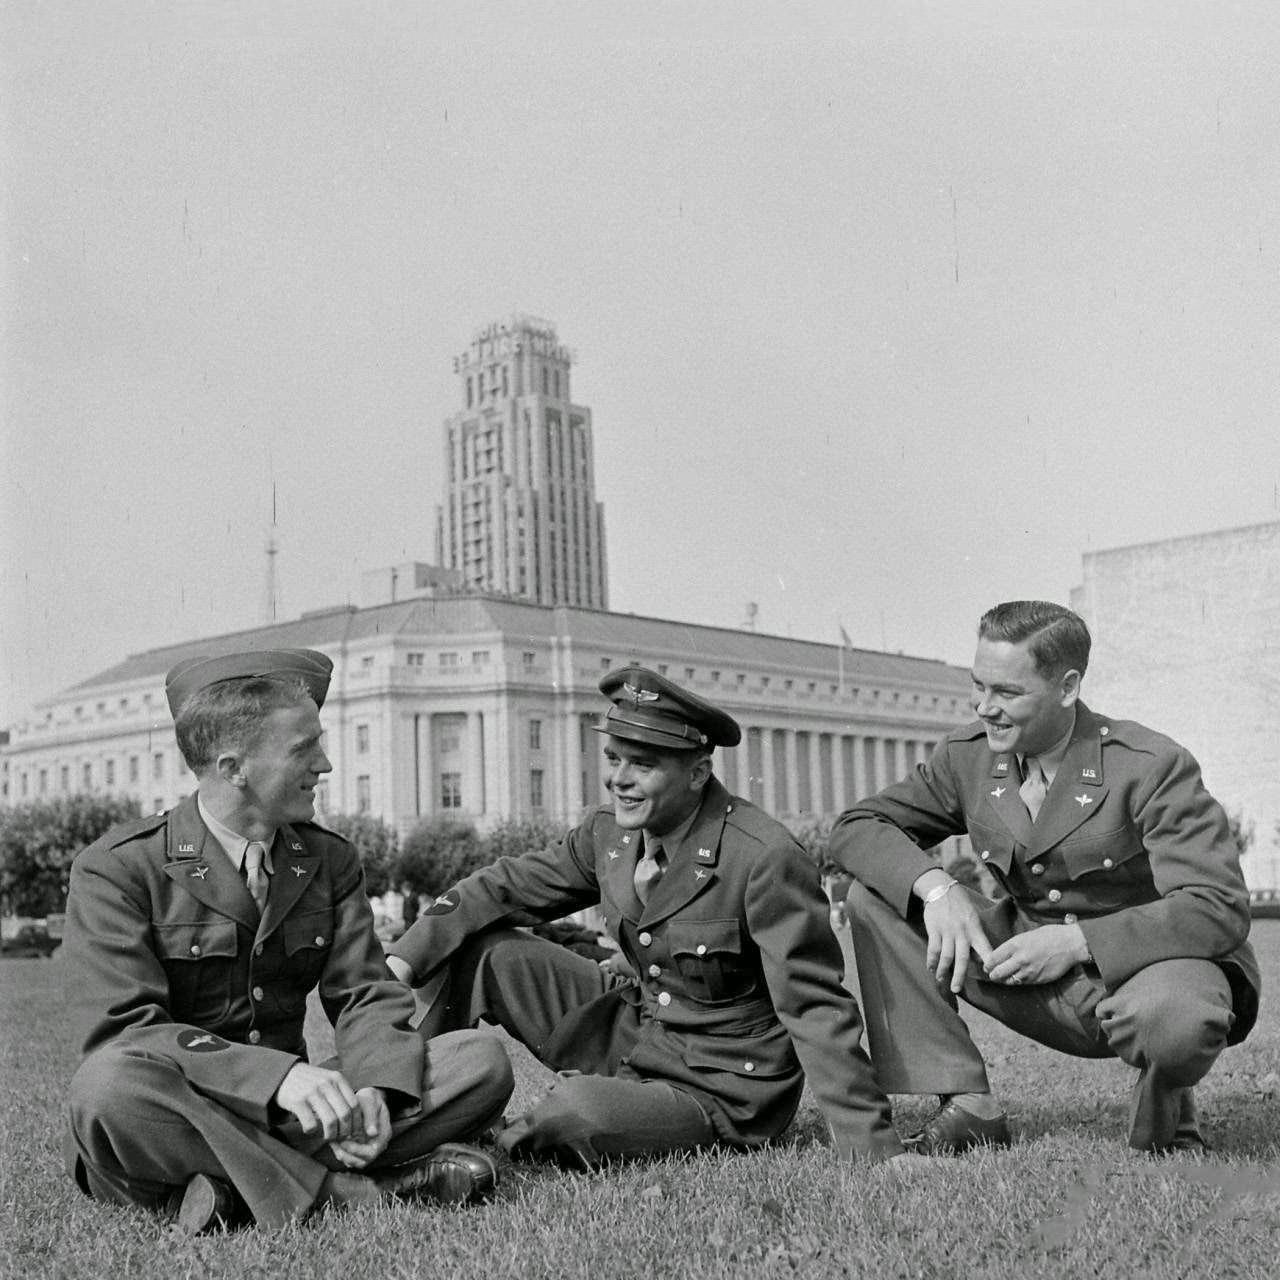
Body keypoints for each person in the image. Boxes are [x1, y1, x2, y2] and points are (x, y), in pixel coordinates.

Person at [63, 649, 514, 1232]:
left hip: (298, 1111)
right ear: (233, 768)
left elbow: (364, 994)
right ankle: (349, 1194)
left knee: (478, 1062)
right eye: (304, 748)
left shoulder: (326, 859)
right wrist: (273, 1078)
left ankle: (225, 1188)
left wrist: (378, 1083)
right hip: (180, 1101)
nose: (324, 764)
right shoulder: (117, 869)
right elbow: (123, 1031)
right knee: (107, 1089)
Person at [385, 665, 906, 1168]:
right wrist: (403, 963)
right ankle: (406, 1107)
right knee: (484, 951)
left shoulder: (761, 856)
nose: (619, 780)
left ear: (699, 773)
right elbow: (499, 888)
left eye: (643, 764)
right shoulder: (609, 834)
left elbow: (814, 1005)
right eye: (614, 759)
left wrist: (873, 1146)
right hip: (640, 1035)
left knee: (577, 1112)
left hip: (722, 1083)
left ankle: (509, 1137)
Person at [830, 601, 1260, 1154]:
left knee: (1178, 1021)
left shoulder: (1150, 765)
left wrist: (1076, 941)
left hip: (1143, 974)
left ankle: (1167, 1119)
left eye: (1007, 693)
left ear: (1067, 686)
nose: (985, 708)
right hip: (1022, 968)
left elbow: (1217, 904)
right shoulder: (968, 759)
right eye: (978, 685)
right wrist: (937, 890)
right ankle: (968, 1106)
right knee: (877, 896)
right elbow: (858, 826)